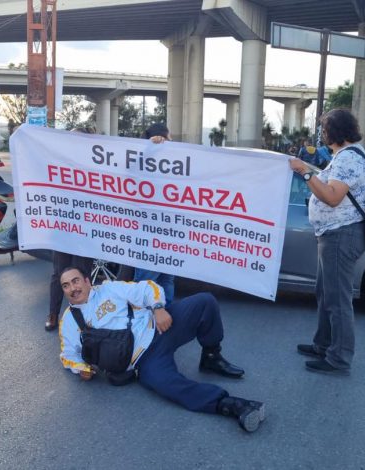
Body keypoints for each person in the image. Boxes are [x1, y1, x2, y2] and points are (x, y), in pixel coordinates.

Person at [58, 267, 265, 433]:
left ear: (87, 281)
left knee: (205, 301)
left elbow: (147, 287)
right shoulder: (69, 319)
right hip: (143, 360)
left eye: (75, 281)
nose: (72, 288)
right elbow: (68, 355)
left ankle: (211, 356)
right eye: (66, 285)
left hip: (159, 329)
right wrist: (81, 368)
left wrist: (158, 308)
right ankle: (231, 405)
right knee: (171, 386)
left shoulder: (109, 288)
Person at [288, 109, 365, 375]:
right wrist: (309, 171)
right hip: (333, 233)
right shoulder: (346, 156)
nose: (322, 135)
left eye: (324, 130)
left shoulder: (348, 158)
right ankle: (323, 344)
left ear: (333, 132)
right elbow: (330, 183)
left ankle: (338, 358)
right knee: (325, 294)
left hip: (341, 235)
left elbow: (332, 196)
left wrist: (305, 173)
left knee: (337, 300)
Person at [45, 127, 97, 332]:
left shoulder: (98, 163)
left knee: (83, 272)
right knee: (59, 272)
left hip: (87, 227)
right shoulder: (60, 161)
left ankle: (86, 314)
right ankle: (53, 313)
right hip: (63, 226)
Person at [132, 123, 175, 304]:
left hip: (171, 232)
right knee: (146, 281)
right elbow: (131, 171)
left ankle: (167, 318)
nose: (170, 141)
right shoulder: (141, 159)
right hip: (149, 233)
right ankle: (143, 323)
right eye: (167, 137)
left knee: (167, 279)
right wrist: (149, 148)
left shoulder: (174, 159)